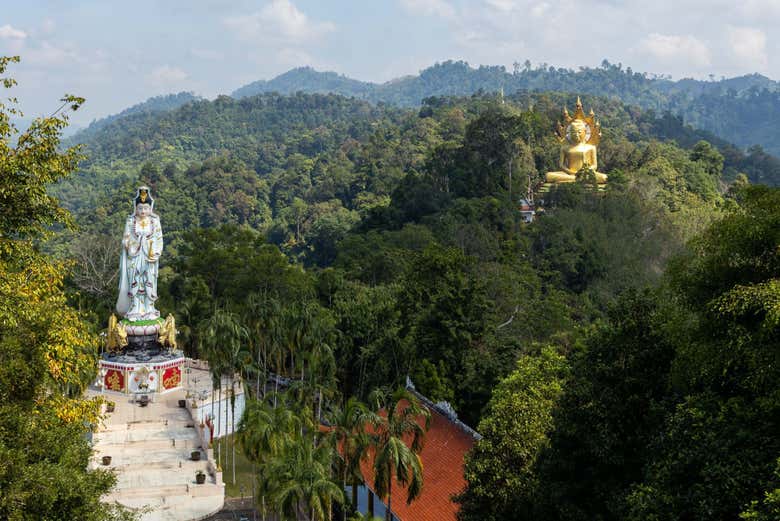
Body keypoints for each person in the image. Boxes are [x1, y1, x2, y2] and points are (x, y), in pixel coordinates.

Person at [116, 186, 163, 321]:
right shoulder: (131, 221)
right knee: (135, 281)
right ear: (136, 208)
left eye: (146, 208)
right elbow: (125, 239)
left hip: (149, 257)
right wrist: (134, 243)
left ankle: (149, 308)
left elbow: (159, 239)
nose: (143, 211)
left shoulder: (155, 221)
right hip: (134, 256)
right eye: (140, 208)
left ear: (150, 208)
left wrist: (154, 251)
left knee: (149, 280)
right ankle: (135, 308)